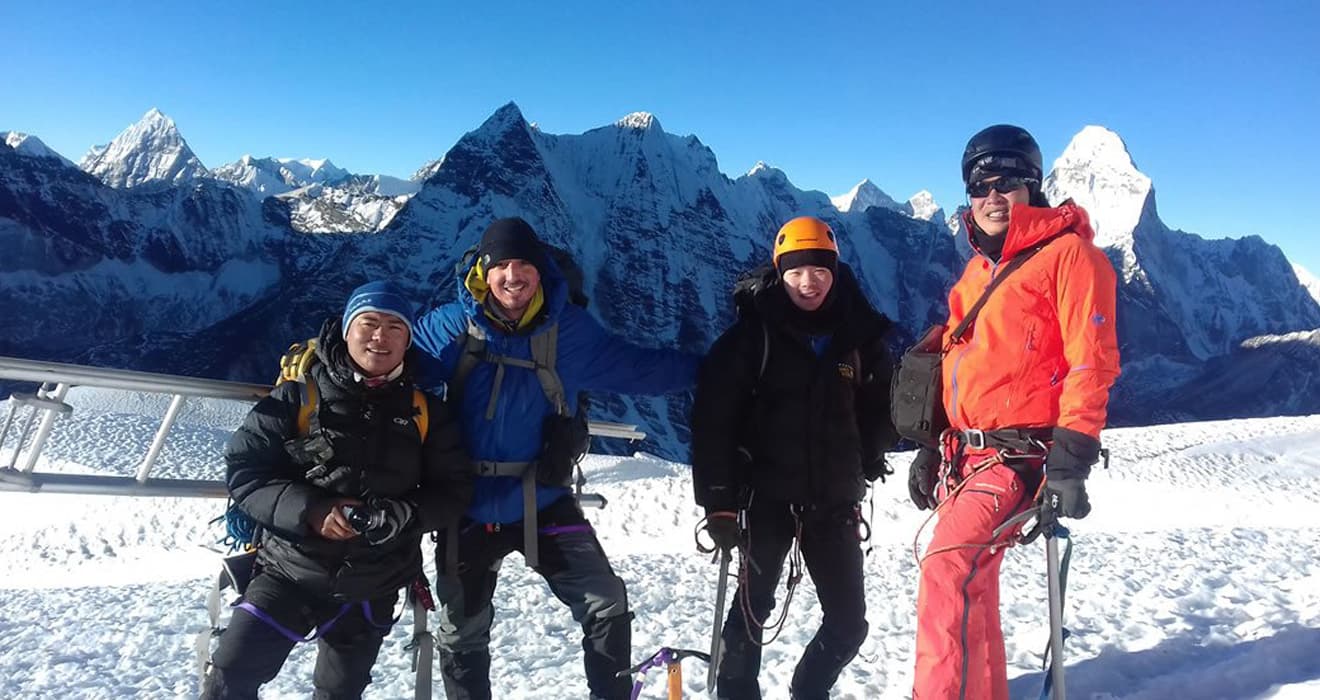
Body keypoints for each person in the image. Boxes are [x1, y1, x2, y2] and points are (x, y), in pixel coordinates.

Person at [409, 216, 699, 700]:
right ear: (483, 271)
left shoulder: (568, 331)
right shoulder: (452, 326)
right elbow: (386, 353)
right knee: (461, 630)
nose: (512, 275)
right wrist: (324, 359)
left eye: (523, 264)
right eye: (501, 264)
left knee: (606, 601)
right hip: (466, 503)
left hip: (541, 498)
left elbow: (639, 368)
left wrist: (717, 370)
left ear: (541, 270)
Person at [907, 124, 1120, 700]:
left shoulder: (1071, 257)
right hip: (965, 456)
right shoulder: (979, 269)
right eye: (981, 185)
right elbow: (959, 363)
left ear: (1033, 187)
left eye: (1008, 183)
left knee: (948, 570)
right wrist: (934, 445)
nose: (993, 197)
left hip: (1019, 455)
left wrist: (1072, 459)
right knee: (972, 588)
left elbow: (1091, 362)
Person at [203, 281, 473, 700]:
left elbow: (454, 491)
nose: (380, 337)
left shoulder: (426, 413)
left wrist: (403, 515)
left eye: (394, 327)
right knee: (230, 677)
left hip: (374, 582)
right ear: (346, 330)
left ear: (408, 341)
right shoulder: (298, 398)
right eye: (368, 323)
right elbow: (244, 469)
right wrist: (310, 510)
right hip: (289, 570)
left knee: (339, 692)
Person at [690, 215, 899, 700]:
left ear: (836, 271)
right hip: (765, 500)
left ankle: (809, 692)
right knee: (750, 612)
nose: (809, 282)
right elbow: (713, 422)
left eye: (820, 270)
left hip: (834, 500)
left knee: (848, 623)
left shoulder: (858, 337)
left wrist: (866, 458)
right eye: (796, 272)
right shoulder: (752, 338)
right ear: (779, 272)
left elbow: (878, 408)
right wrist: (718, 502)